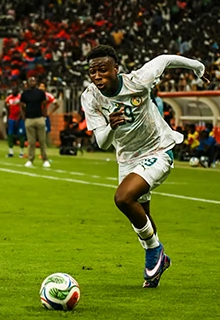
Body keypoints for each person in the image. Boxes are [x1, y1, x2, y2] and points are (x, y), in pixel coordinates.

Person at [80, 45, 205, 288]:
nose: (97, 76)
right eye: (92, 72)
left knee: (123, 198)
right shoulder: (90, 97)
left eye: (102, 70)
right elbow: (102, 142)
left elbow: (165, 59)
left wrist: (197, 67)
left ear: (116, 69)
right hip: (127, 159)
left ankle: (154, 250)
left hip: (158, 150)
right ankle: (158, 265)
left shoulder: (138, 81)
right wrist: (111, 126)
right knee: (142, 215)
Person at [20, 77, 51, 168]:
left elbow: (44, 104)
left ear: (36, 82)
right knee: (31, 142)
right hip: (29, 119)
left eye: (33, 81)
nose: (32, 82)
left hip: (39, 118)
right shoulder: (25, 94)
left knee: (42, 141)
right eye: (30, 81)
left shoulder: (41, 93)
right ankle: (30, 159)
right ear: (28, 83)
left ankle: (45, 159)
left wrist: (44, 115)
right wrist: (24, 117)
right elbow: (21, 106)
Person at [4, 88, 25, 158]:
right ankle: (11, 152)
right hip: (11, 118)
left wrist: (20, 118)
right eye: (13, 90)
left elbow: (23, 108)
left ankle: (21, 152)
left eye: (15, 90)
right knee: (10, 135)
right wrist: (8, 120)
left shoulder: (21, 97)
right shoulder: (8, 98)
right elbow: (7, 109)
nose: (13, 92)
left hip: (20, 119)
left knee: (21, 135)